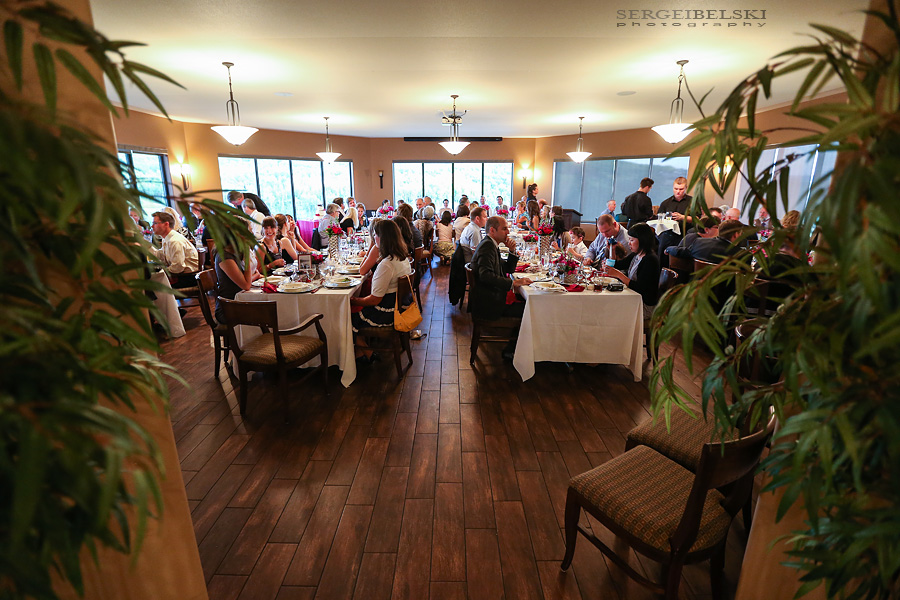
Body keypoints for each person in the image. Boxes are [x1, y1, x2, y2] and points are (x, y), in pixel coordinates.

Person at [470, 216, 533, 359]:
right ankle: (512, 351)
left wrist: (512, 251)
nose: (508, 232)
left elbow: (507, 269)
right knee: (531, 309)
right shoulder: (487, 246)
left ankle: (516, 348)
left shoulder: (491, 244)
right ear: (492, 230)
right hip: (489, 304)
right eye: (504, 229)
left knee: (526, 302)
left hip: (489, 297)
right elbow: (486, 276)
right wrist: (513, 283)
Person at [350, 219, 415, 354]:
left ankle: (367, 354)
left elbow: (375, 300)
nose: (374, 238)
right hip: (400, 308)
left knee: (345, 319)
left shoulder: (386, 264)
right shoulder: (402, 258)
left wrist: (353, 300)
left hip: (386, 313)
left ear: (382, 238)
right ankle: (363, 353)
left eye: (376, 235)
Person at [606, 223, 662, 320]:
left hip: (644, 305)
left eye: (632, 240)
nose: (629, 243)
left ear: (642, 240)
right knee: (609, 305)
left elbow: (640, 288)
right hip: (634, 299)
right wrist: (612, 250)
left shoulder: (650, 259)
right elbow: (617, 265)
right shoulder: (637, 255)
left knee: (612, 310)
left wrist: (618, 275)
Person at [150, 211, 199, 288]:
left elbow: (178, 268)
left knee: (153, 287)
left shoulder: (175, 241)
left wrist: (161, 270)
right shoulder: (166, 238)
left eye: (155, 223)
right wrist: (147, 246)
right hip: (182, 275)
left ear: (166, 224)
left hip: (189, 278)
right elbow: (162, 256)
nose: (152, 226)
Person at [214, 244, 257, 324]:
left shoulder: (236, 253)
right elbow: (246, 286)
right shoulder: (224, 257)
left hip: (239, 302)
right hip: (228, 308)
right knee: (263, 313)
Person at [666, 219, 744, 263]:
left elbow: (681, 251)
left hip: (695, 287)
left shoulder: (700, 242)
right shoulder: (741, 255)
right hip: (724, 291)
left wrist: (668, 249)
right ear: (736, 235)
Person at [656, 177, 693, 258]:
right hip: (667, 236)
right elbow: (659, 219)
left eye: (681, 189)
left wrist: (683, 217)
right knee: (662, 260)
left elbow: (697, 219)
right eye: (676, 189)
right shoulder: (666, 203)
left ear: (686, 188)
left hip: (685, 236)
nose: (678, 191)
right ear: (673, 188)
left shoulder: (692, 202)